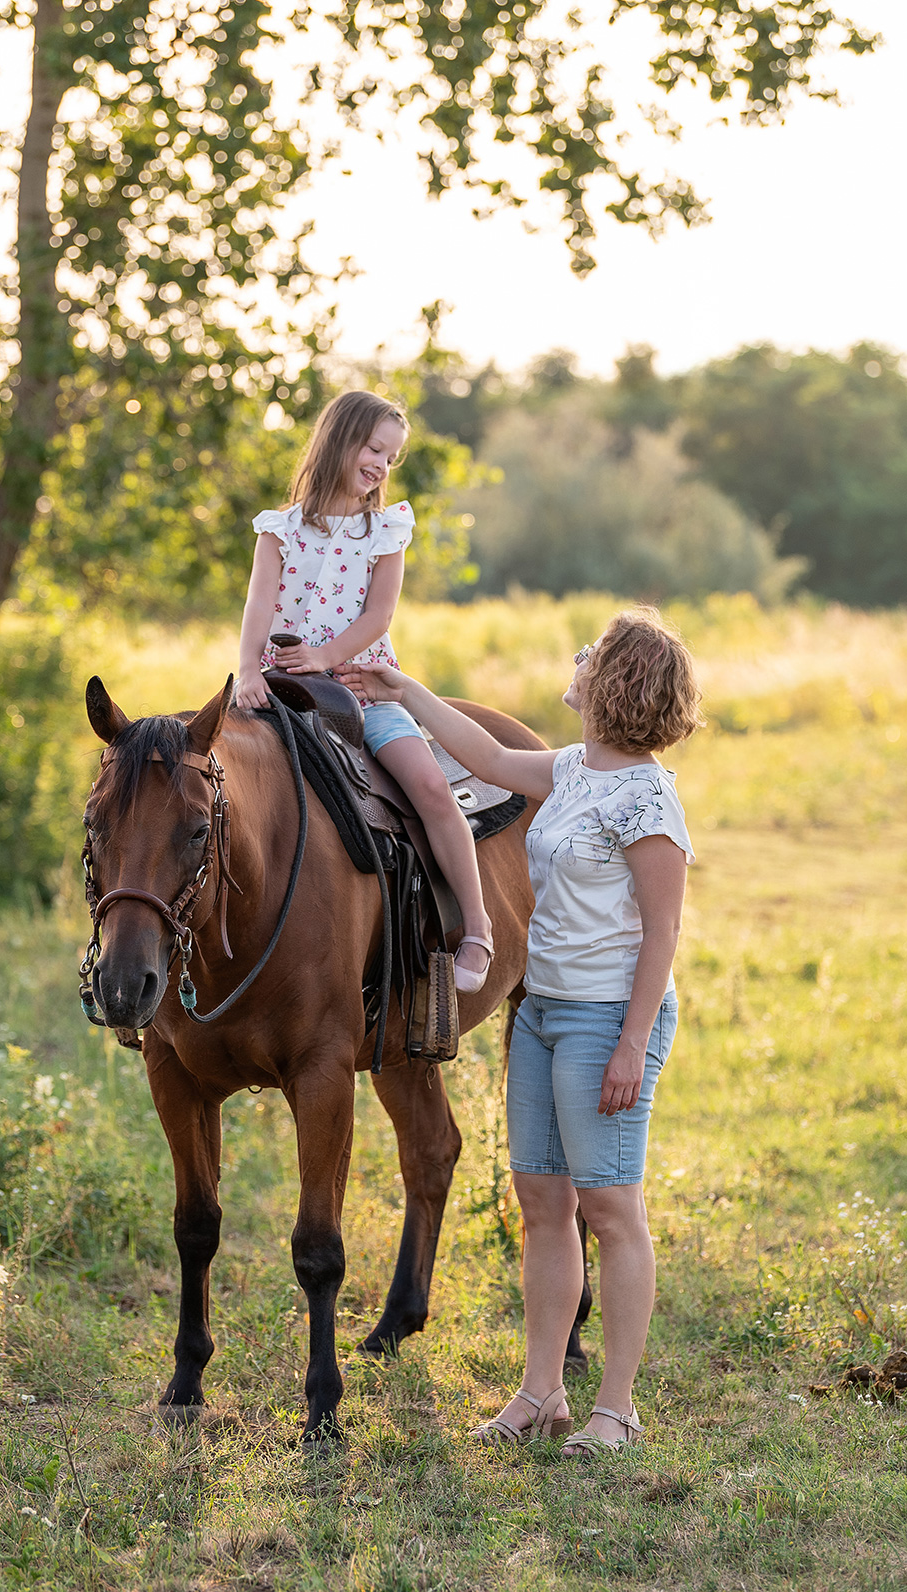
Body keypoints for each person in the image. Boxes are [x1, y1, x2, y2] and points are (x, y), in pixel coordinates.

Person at [339, 609, 702, 1455]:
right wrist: (403, 690)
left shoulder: (647, 795)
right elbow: (490, 759)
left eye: (594, 653)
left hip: (608, 1017)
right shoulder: (572, 769)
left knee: (612, 1211)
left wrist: (629, 1044)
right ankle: (540, 1394)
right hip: (541, 1013)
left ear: (618, 682)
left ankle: (615, 1407)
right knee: (543, 1206)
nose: (576, 660)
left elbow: (664, 934)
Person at [233, 389, 494, 992]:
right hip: (281, 688)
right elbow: (258, 604)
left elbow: (378, 617)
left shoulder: (385, 530)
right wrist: (248, 670)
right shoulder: (279, 530)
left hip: (362, 687)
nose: (381, 464)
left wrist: (325, 658)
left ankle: (476, 927)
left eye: (391, 456)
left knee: (429, 785)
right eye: (374, 447)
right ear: (339, 439)